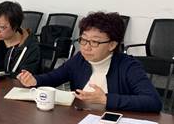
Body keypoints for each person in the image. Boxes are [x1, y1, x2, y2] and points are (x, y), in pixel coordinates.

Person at [17, 12, 162, 112]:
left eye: (94, 42)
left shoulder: (128, 66)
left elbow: (153, 101)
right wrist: (34, 80)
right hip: (82, 120)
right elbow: (55, 76)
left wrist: (106, 99)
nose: (86, 47)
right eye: (84, 39)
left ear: (112, 45)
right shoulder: (80, 59)